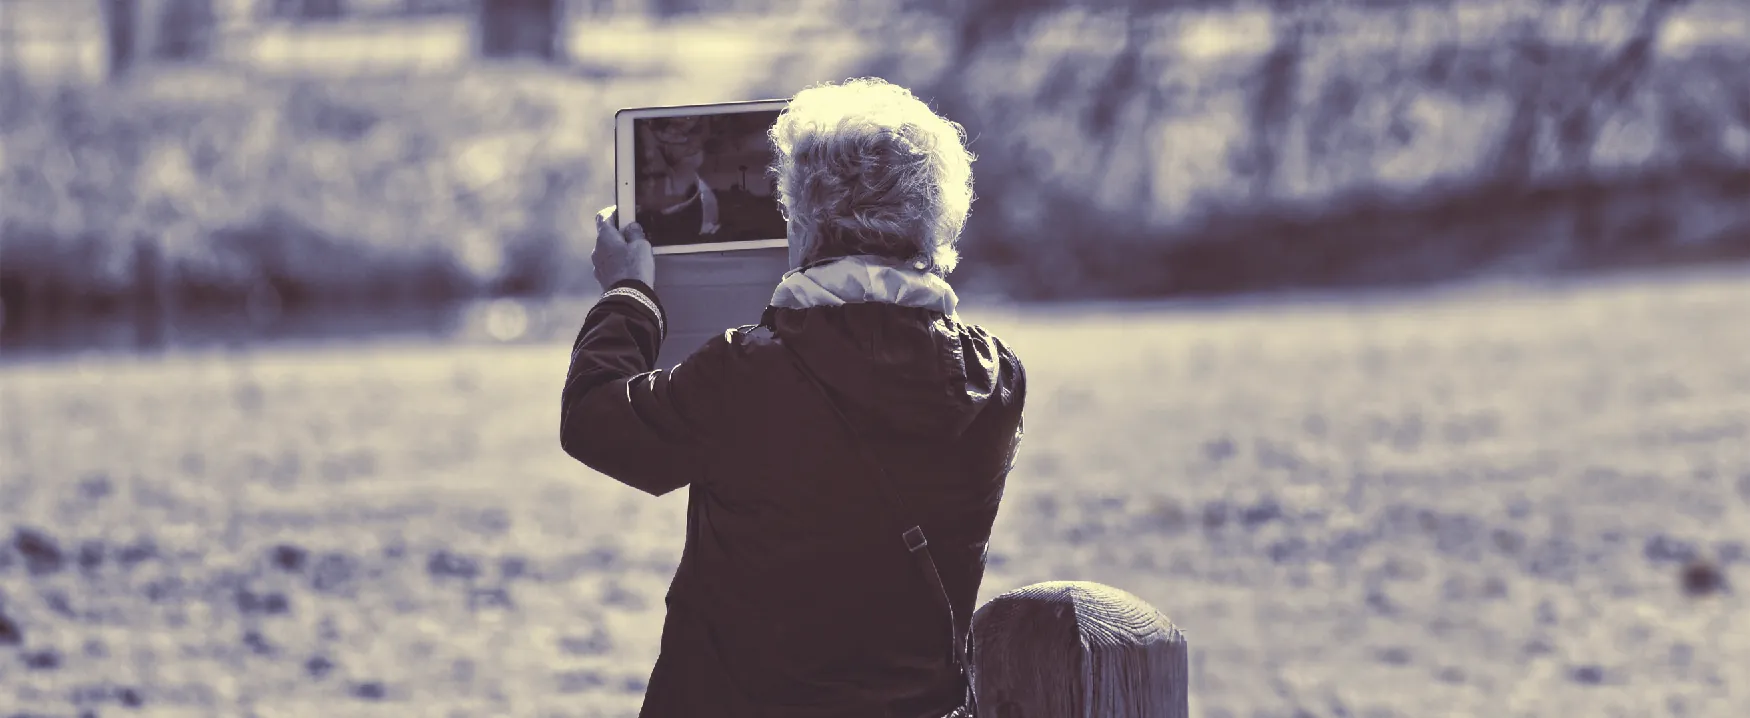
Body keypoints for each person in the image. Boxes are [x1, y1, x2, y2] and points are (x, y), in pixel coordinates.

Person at [560, 78, 1025, 718]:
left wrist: (629, 296)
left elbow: (594, 420)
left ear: (803, 219)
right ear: (938, 215)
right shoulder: (995, 381)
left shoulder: (742, 373)